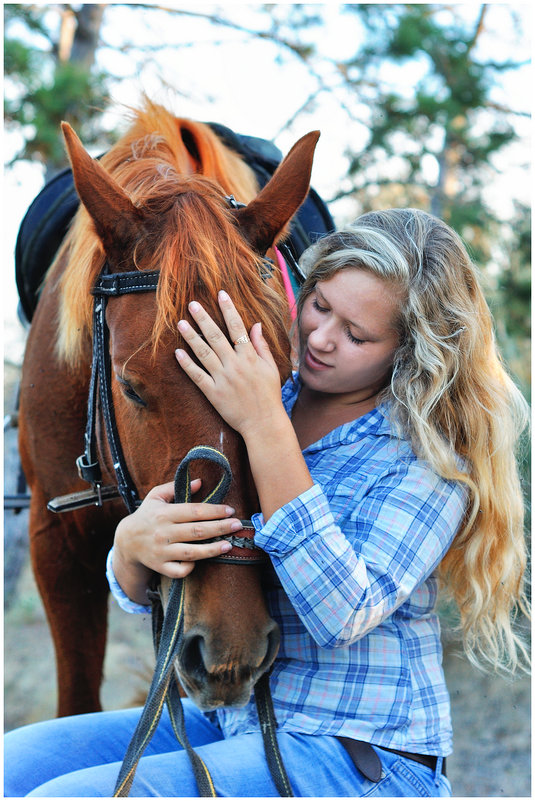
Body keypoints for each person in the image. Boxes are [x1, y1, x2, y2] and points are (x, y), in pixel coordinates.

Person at [5, 208, 529, 797]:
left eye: (357, 335)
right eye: (320, 305)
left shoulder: (430, 462)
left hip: (359, 754)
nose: (321, 338)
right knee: (13, 763)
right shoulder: (258, 390)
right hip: (232, 723)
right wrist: (131, 547)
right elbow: (170, 571)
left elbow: (343, 614)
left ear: (407, 352)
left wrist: (263, 424)